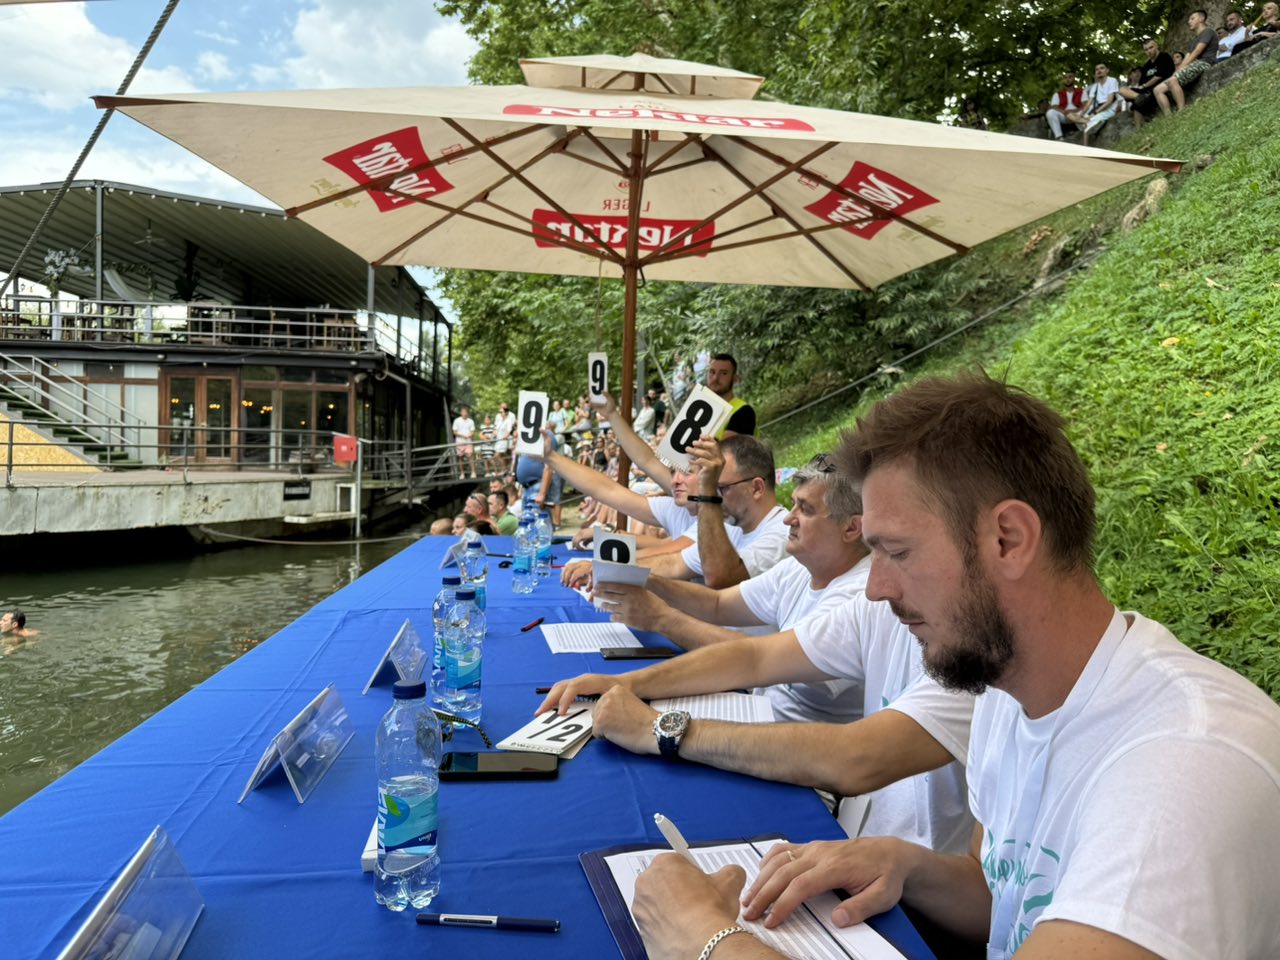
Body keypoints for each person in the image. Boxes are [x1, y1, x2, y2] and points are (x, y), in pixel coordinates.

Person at [628, 373, 1280, 960]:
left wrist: (706, 941)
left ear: (1009, 540)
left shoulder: (1186, 769)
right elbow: (1001, 897)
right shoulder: (1007, 687)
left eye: (898, 552)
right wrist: (904, 864)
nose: (877, 589)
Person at [1154, 8, 1220, 116]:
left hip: (1205, 63)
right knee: (1157, 89)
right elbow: (1188, 56)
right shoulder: (1194, 40)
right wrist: (1177, 70)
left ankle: (1181, 112)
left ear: (1202, 19)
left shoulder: (1208, 31)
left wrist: (1180, 70)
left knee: (1172, 81)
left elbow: (1197, 52)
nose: (1189, 21)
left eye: (1192, 18)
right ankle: (1168, 117)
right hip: (1194, 64)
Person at [1115, 38, 1177, 127]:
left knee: (1138, 102)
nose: (1149, 51)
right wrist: (1141, 90)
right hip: (1145, 93)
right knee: (1122, 89)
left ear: (1156, 46)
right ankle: (1139, 129)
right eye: (1146, 49)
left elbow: (1158, 76)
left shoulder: (1164, 57)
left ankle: (1140, 98)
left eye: (1151, 48)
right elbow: (1141, 83)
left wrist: (1144, 86)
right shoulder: (1146, 65)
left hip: (1160, 87)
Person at [1066, 63, 1119, 145]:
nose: (1099, 71)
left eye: (1102, 68)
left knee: (1087, 129)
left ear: (1107, 71)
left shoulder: (1112, 81)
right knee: (1070, 115)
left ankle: (1085, 149)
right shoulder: (1095, 87)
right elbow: (1088, 104)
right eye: (1097, 69)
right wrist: (1081, 115)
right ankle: (1086, 121)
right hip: (1097, 109)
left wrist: (1094, 113)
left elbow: (1109, 101)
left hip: (1109, 109)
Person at [705, 353, 756, 437]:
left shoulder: (744, 411)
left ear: (735, 378)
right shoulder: (702, 409)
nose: (715, 378)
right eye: (712, 372)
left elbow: (728, 449)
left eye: (723, 373)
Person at [1044, 71, 1085, 140]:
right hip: (1064, 115)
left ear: (1074, 78)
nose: (1067, 79)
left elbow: (1085, 104)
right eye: (1065, 78)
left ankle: (1085, 130)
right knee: (1050, 113)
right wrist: (1066, 113)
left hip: (1078, 114)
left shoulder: (1082, 91)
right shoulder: (1057, 94)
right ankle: (1059, 137)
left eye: (1070, 77)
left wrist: (1074, 112)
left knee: (1087, 110)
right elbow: (1054, 107)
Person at [450, 405, 476, 479]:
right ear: (461, 413)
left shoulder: (471, 421)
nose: (464, 413)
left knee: (470, 456)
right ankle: (462, 473)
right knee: (460, 457)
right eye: (463, 412)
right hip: (459, 442)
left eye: (465, 412)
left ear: (467, 413)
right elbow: (454, 432)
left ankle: (473, 472)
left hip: (468, 442)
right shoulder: (457, 421)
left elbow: (472, 431)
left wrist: (469, 435)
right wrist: (463, 435)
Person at [492, 401, 516, 473]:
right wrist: (494, 433)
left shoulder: (509, 419)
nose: (500, 413)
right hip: (499, 440)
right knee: (500, 456)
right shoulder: (499, 420)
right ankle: (504, 469)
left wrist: (505, 436)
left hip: (504, 440)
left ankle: (505, 469)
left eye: (502, 411)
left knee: (498, 456)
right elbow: (496, 428)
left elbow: (510, 429)